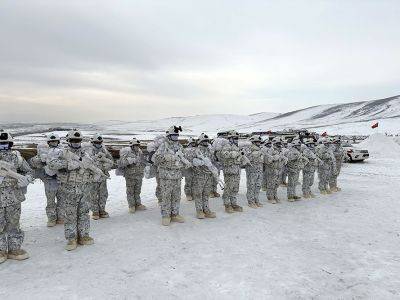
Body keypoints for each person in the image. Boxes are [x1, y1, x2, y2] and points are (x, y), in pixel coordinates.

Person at [47, 129, 97, 251]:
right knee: (70, 215)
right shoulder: (62, 152)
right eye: (74, 140)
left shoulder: (86, 154)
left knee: (84, 213)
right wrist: (68, 164)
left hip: (84, 188)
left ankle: (84, 235)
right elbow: (52, 164)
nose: (76, 142)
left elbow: (92, 166)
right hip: (68, 189)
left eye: (78, 140)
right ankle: (71, 238)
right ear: (69, 141)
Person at [0, 130, 33, 263]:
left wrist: (27, 179)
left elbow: (29, 170)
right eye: (0, 144)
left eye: (5, 144)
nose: (3, 147)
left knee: (14, 224)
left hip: (14, 197)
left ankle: (14, 249)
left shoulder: (17, 158)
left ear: (10, 144)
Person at [153, 126, 191, 226]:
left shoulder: (179, 146)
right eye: (173, 136)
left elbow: (185, 159)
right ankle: (166, 215)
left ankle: (175, 214)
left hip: (177, 176)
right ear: (169, 136)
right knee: (166, 196)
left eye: (176, 136)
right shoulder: (163, 146)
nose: (175, 138)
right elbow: (155, 159)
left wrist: (183, 163)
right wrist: (167, 157)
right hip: (166, 176)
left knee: (176, 196)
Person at [29, 133, 64, 227]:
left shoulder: (62, 152)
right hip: (49, 180)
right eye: (52, 141)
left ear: (58, 142)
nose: (53, 143)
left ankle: (61, 218)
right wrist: (40, 159)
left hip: (61, 180)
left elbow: (67, 163)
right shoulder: (43, 152)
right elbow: (33, 163)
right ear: (48, 142)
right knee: (51, 201)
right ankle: (52, 219)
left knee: (62, 200)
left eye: (55, 141)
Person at [86, 134, 114, 219]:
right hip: (93, 177)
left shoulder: (104, 150)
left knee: (103, 194)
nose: (98, 144)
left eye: (99, 142)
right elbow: (86, 163)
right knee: (93, 195)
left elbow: (111, 161)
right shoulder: (88, 151)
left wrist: (106, 164)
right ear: (93, 142)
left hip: (102, 177)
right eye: (96, 142)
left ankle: (102, 210)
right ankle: (95, 211)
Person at [190, 133, 217, 219]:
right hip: (199, 175)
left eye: (207, 141)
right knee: (198, 194)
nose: (206, 143)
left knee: (206, 194)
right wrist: (197, 162)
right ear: (200, 142)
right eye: (204, 141)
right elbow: (191, 161)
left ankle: (206, 209)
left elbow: (212, 161)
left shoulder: (209, 150)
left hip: (208, 175)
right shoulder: (196, 150)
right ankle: (199, 211)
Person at [219, 130, 246, 213]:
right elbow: (225, 155)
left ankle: (233, 203)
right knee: (228, 187)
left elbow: (239, 158)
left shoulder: (237, 147)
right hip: (229, 170)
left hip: (237, 170)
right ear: (230, 138)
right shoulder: (226, 146)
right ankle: (227, 204)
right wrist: (236, 154)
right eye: (234, 138)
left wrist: (241, 157)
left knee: (235, 188)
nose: (236, 139)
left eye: (236, 138)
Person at [118, 138, 147, 213]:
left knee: (137, 190)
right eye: (135, 145)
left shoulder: (139, 152)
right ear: (131, 146)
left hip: (139, 174)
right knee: (130, 191)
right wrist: (129, 161)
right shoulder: (127, 152)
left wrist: (143, 166)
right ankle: (131, 205)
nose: (137, 147)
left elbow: (143, 161)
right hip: (130, 175)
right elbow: (121, 163)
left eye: (137, 145)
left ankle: (138, 204)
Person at [263, 137, 286, 204]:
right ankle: (270, 197)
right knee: (271, 184)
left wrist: (283, 159)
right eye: (278, 143)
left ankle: (275, 196)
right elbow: (267, 160)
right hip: (271, 170)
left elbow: (281, 158)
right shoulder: (270, 150)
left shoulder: (280, 150)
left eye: (280, 143)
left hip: (278, 170)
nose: (279, 144)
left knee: (276, 184)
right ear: (275, 143)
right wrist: (273, 158)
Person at [244, 135, 264, 208]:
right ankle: (250, 201)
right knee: (251, 186)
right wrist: (253, 155)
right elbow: (245, 159)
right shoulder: (249, 149)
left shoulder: (260, 150)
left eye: (259, 142)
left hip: (259, 170)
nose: (259, 143)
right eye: (257, 142)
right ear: (253, 142)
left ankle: (256, 200)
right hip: (252, 171)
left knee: (258, 186)